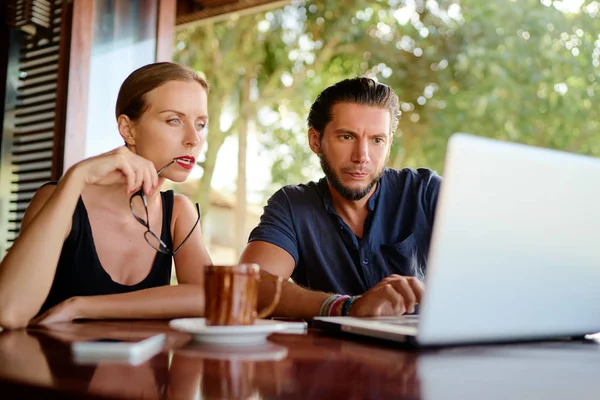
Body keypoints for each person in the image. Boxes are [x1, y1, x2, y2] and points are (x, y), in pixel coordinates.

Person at [0, 62, 212, 329]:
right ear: (128, 129)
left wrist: (81, 307)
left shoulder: (178, 213)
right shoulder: (61, 198)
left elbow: (211, 299)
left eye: (201, 124)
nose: (193, 138)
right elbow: (9, 311)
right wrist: (77, 176)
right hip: (54, 370)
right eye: (174, 120)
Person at [240, 77, 442, 319]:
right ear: (316, 141)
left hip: (423, 353)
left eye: (377, 140)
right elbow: (250, 285)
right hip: (330, 356)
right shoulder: (292, 206)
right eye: (347, 137)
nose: (362, 156)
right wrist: (347, 307)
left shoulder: (425, 191)